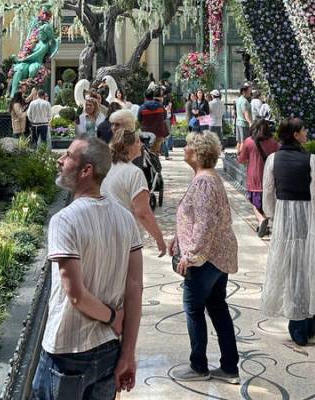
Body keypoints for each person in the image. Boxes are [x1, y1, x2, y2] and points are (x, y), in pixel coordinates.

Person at [32, 136, 144, 400]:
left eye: (68, 155)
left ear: (86, 170)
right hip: (108, 350)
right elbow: (135, 288)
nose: (60, 160)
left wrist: (111, 317)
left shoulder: (64, 221)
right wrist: (128, 353)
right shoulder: (125, 218)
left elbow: (76, 296)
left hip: (67, 353)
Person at [169, 130, 240, 384]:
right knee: (218, 308)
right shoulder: (206, 178)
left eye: (188, 146)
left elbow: (205, 222)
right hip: (216, 255)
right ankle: (229, 367)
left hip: (207, 259)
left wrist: (190, 255)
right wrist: (177, 239)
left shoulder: (204, 182)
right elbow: (194, 217)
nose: (185, 149)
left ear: (198, 154)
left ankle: (198, 366)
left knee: (194, 308)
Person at [260, 116, 315, 346]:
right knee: (307, 265)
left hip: (284, 217)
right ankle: (308, 319)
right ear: (295, 134)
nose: (306, 132)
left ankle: (299, 321)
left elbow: (268, 192)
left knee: (290, 267)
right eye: (303, 130)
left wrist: (272, 217)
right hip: (306, 217)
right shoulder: (311, 160)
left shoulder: (272, 159)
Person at [101, 113, 166, 257]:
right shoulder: (134, 173)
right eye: (137, 142)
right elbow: (143, 212)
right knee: (131, 279)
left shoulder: (106, 168)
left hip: (105, 233)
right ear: (128, 147)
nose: (141, 145)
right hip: (126, 238)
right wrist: (159, 239)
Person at [237, 118, 279, 236]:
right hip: (270, 177)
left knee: (255, 203)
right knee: (268, 201)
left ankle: (261, 220)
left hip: (254, 178)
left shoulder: (249, 142)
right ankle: (266, 221)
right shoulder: (273, 142)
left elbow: (241, 159)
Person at [136, 87, 168, 156]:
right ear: (153, 96)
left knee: (147, 153)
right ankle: (155, 164)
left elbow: (139, 121)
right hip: (159, 133)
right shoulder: (160, 106)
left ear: (145, 97)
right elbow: (165, 117)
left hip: (146, 135)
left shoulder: (142, 108)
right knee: (155, 153)